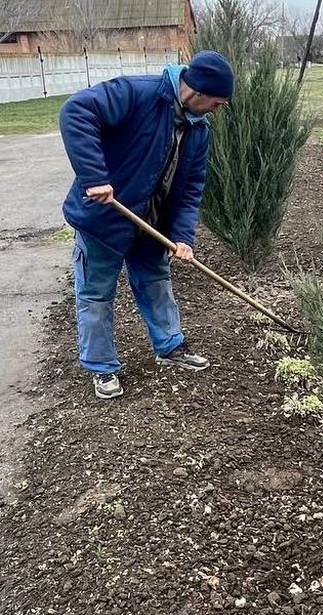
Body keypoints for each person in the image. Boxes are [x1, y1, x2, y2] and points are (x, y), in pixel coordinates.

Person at [59, 50, 235, 399]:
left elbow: (191, 189)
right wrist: (94, 175)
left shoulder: (199, 130)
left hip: (151, 223)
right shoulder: (137, 94)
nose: (218, 110)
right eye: (217, 103)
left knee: (156, 283)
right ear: (197, 92)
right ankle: (101, 366)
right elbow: (76, 111)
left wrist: (183, 236)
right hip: (107, 218)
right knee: (96, 295)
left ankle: (170, 346)